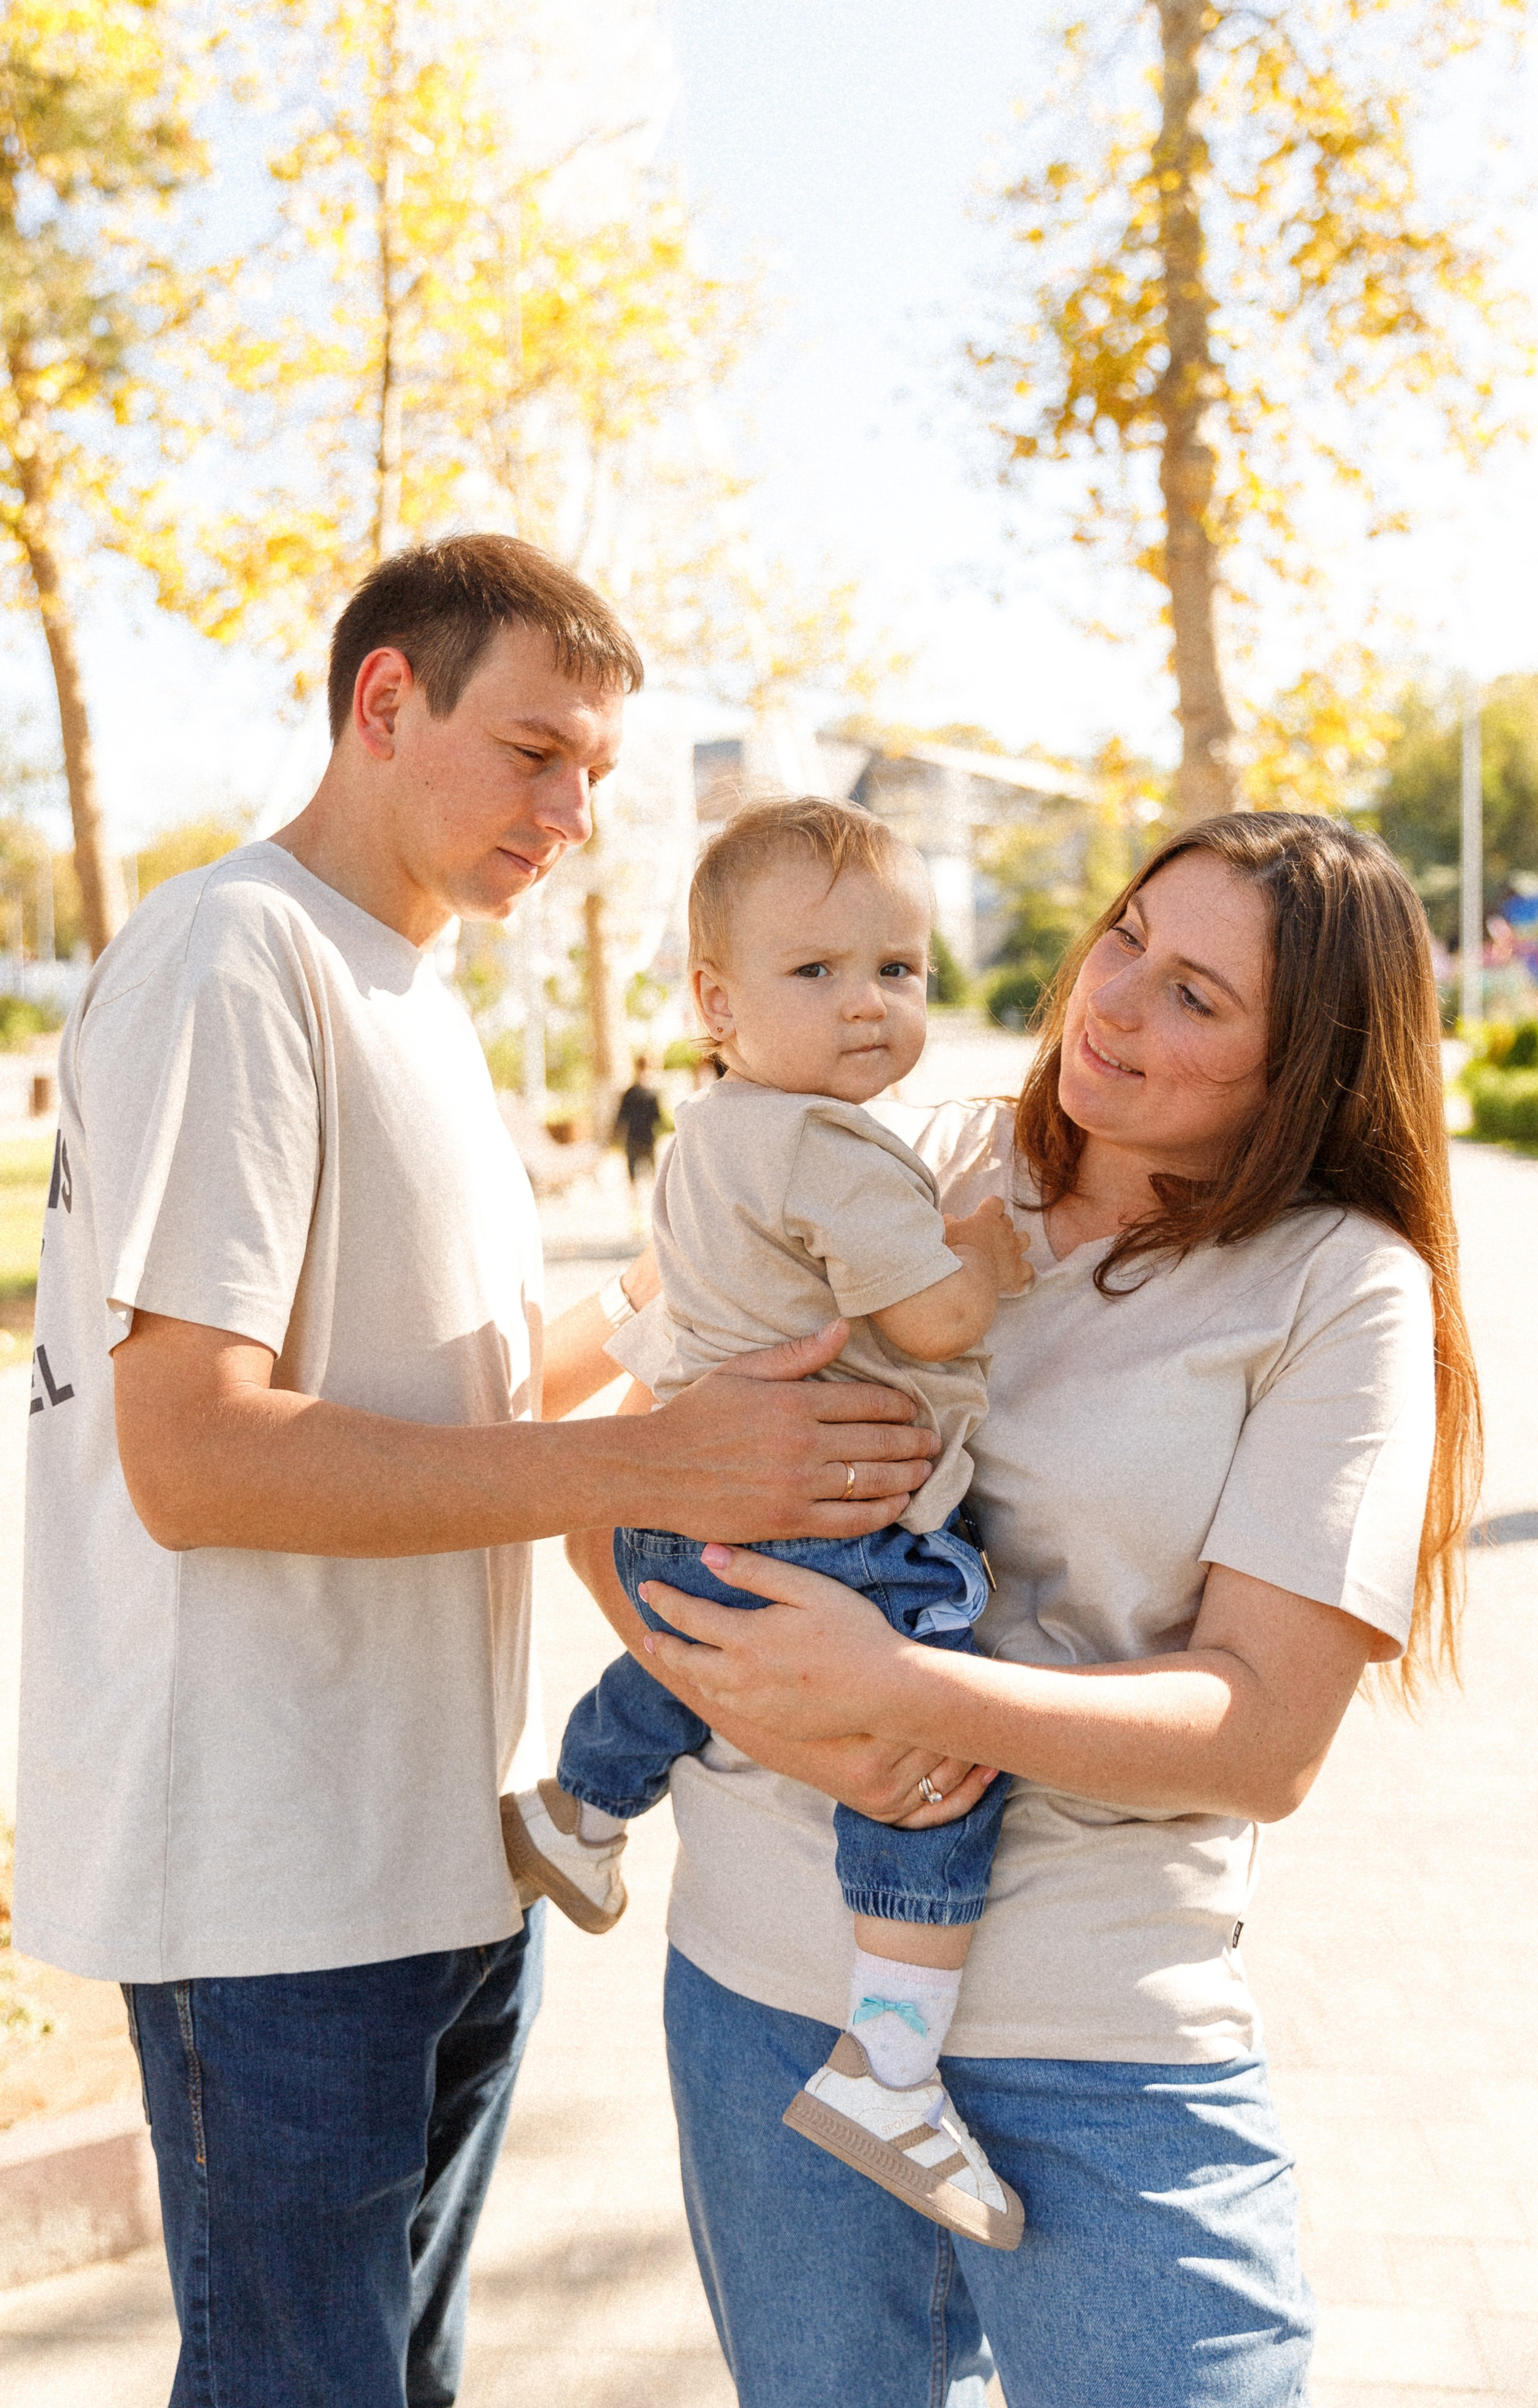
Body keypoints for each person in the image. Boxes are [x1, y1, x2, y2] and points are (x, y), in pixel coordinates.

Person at [13, 534, 941, 2408]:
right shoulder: (236, 949)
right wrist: (660, 1452)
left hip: (440, 1851)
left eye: (596, 769)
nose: (576, 811)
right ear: (382, 702)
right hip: (269, 1886)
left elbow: (474, 1387)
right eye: (536, 751)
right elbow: (192, 1450)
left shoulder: (415, 997)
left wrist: (720, 1283)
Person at [565, 810, 1480, 2408]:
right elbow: (600, 1470)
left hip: (1101, 2050)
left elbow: (1259, 1737)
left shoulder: (1335, 1286)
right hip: (763, 2003)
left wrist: (902, 1696)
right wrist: (733, 1678)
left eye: (1199, 996)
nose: (1114, 1001)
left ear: (1307, 1068)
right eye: (1125, 936)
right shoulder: (913, 1154)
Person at [504, 800, 1032, 2250]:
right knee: (940, 1768)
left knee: (690, 1647)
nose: (869, 1001)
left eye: (901, 970)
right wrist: (984, 1253)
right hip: (831, 1528)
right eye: (817, 973)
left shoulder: (710, 1133)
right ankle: (890, 2066)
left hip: (701, 1515)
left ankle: (578, 1806)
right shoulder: (834, 1150)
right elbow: (927, 1315)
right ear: (716, 1001)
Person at [614, 1053, 665, 1190]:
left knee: (635, 1171)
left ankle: (637, 1200)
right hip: (646, 1136)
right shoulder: (652, 1093)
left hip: (635, 1136)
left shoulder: (630, 1092)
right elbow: (658, 1118)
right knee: (651, 1171)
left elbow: (621, 1117)